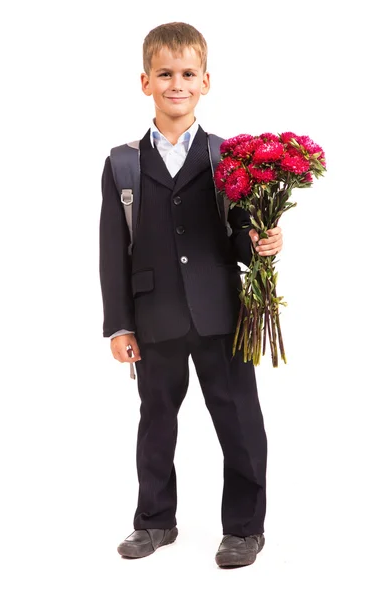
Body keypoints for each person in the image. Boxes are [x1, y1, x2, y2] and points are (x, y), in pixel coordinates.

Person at [99, 22, 283, 569]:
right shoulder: (122, 163)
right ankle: (155, 521)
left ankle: (245, 529)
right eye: (164, 74)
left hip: (221, 314)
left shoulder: (229, 157)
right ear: (145, 81)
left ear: (206, 81)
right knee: (156, 422)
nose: (175, 83)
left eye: (187, 74)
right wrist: (119, 324)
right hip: (153, 318)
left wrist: (265, 241)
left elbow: (242, 239)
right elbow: (113, 251)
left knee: (240, 422)